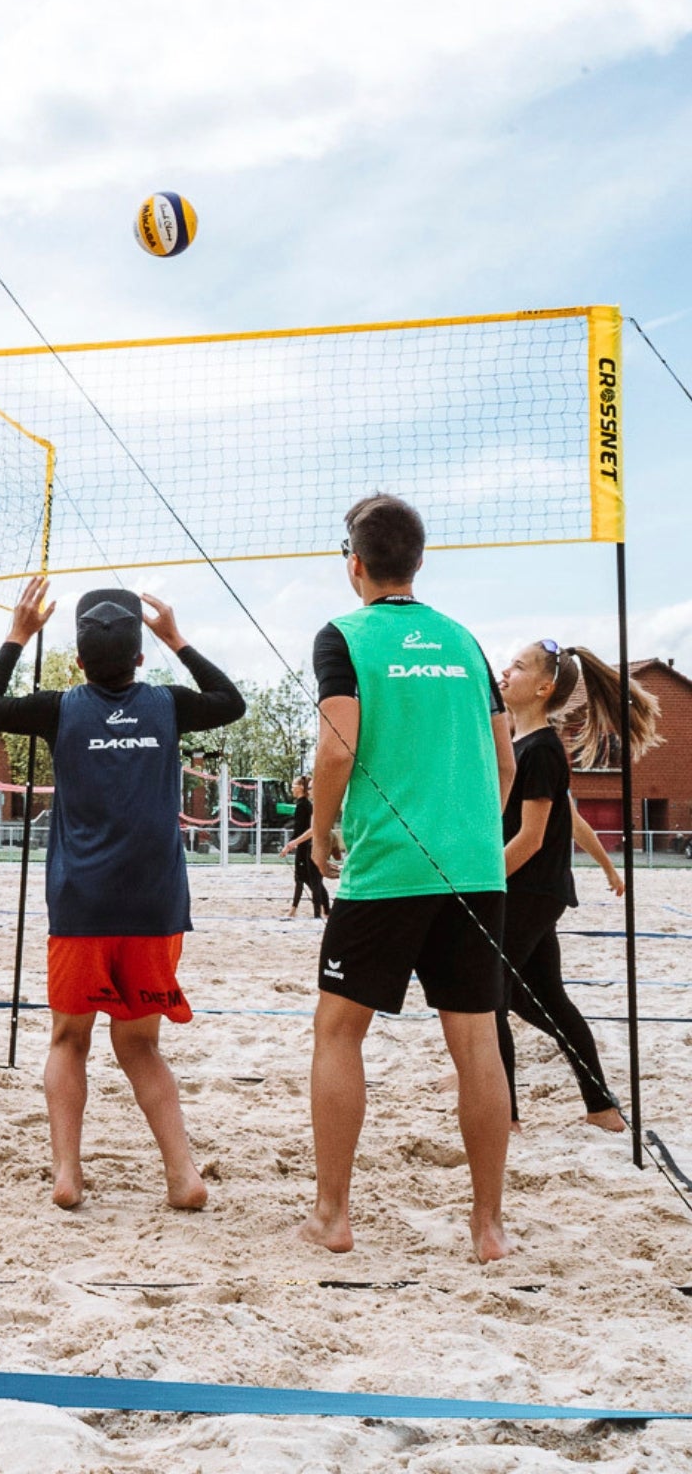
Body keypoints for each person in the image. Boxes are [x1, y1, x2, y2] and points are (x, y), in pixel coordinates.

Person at [0, 578, 245, 1209]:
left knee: (69, 1040)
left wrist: (18, 635)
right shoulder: (169, 704)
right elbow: (229, 701)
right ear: (142, 656)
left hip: (81, 904)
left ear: (80, 661)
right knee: (141, 1045)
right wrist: (178, 637)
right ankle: (182, 1176)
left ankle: (68, 1174)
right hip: (153, 906)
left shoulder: (58, 707)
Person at [300, 494, 517, 1263]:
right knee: (476, 1042)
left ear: (353, 562)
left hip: (388, 866)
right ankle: (488, 1228)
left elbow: (335, 750)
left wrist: (321, 836)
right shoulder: (463, 640)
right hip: (473, 868)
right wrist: (469, 834)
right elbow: (506, 759)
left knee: (337, 1032)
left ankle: (333, 1216)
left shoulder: (344, 634)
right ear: (418, 562)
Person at [496, 640, 658, 1134]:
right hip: (533, 892)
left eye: (517, 667)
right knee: (541, 998)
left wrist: (477, 880)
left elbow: (531, 837)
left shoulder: (542, 748)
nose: (504, 671)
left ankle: (505, 1117)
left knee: (487, 999)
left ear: (544, 687)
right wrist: (608, 869)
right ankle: (601, 1107)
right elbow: (568, 820)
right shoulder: (522, 743)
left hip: (529, 891)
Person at [280, 776, 330, 920]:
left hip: (309, 846)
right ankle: (322, 911)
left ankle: (320, 912)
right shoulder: (306, 805)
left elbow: (309, 830)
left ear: (301, 787)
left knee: (312, 881)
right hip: (307, 845)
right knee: (310, 880)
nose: (291, 788)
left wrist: (291, 844)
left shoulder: (305, 805)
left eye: (294, 785)